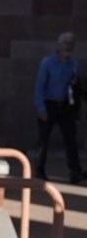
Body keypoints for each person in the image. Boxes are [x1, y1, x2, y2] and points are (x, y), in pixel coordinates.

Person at [34, 31, 84, 183]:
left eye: (71, 43)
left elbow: (76, 87)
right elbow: (40, 86)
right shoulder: (47, 63)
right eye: (65, 42)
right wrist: (40, 107)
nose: (68, 46)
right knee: (43, 140)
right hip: (49, 103)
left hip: (66, 106)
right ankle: (39, 171)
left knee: (71, 140)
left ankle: (75, 172)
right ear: (59, 44)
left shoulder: (74, 64)